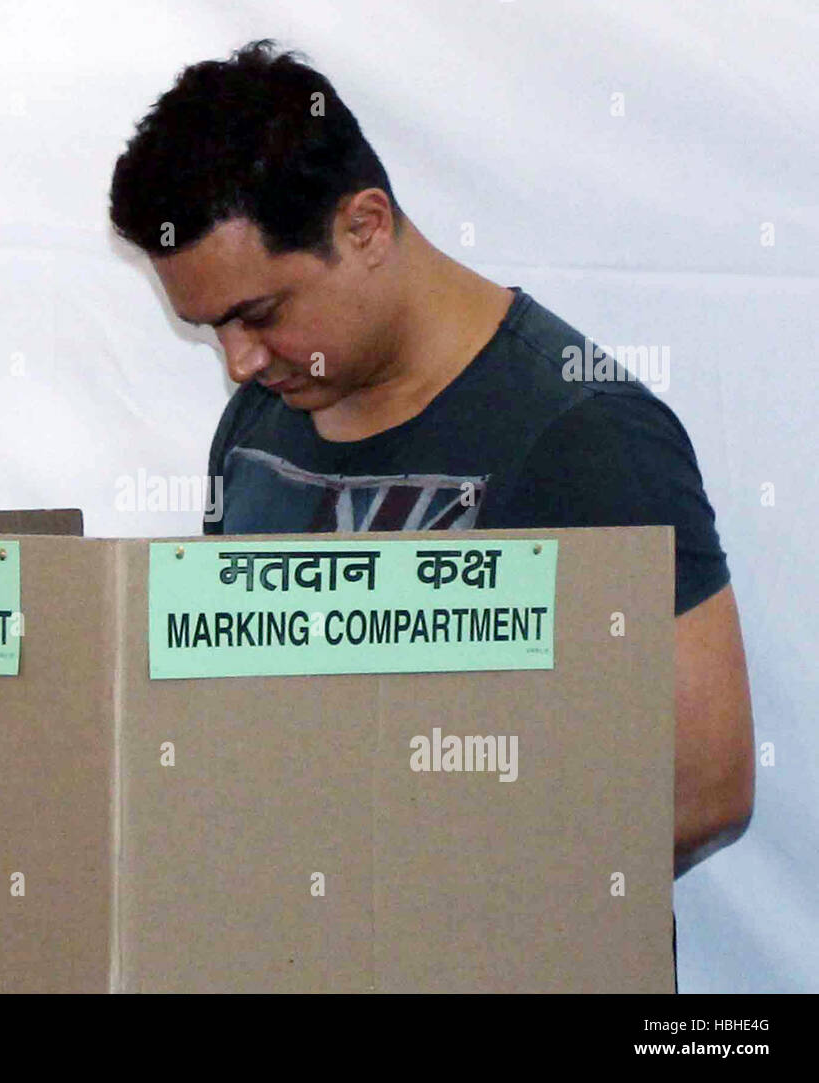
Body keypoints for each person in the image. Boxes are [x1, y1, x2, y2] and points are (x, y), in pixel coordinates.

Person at [108, 40, 755, 970]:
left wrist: (400, 892)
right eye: (211, 328)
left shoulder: (586, 434)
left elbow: (707, 783)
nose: (240, 361)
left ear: (366, 226)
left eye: (259, 313)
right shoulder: (255, 429)